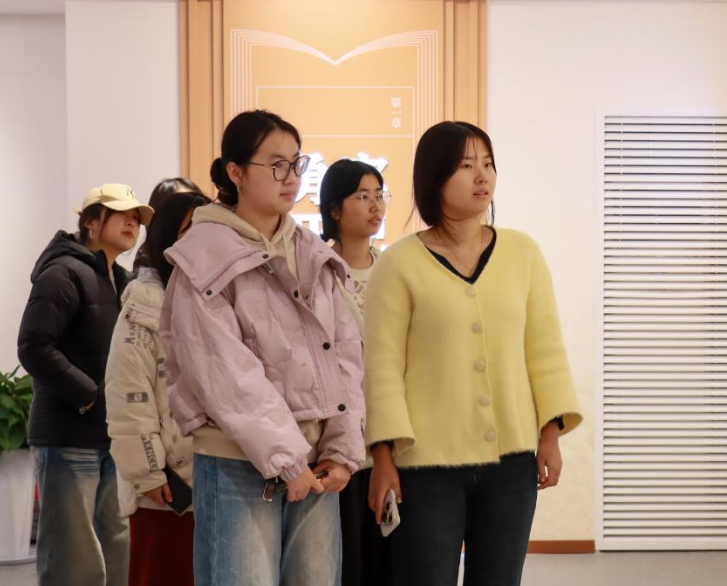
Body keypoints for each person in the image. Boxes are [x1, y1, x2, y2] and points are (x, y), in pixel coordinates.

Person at [365, 121, 583, 586]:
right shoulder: (398, 263)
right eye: (465, 166)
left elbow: (545, 350)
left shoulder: (523, 253)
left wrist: (550, 435)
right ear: (434, 178)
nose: (482, 176)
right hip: (425, 466)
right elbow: (382, 368)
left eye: (487, 164)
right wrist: (382, 458)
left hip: (512, 463)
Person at [160, 109, 366, 586]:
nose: (291, 177)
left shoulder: (312, 250)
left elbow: (345, 355)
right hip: (237, 462)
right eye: (276, 165)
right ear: (235, 172)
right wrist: (287, 460)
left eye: (297, 163)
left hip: (316, 463)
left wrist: (341, 449)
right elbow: (224, 374)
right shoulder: (202, 256)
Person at [19, 184, 153, 586]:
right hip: (68, 437)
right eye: (122, 214)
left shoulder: (122, 280)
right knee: (72, 560)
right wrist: (90, 395)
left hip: (113, 437)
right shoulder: (63, 273)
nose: (132, 223)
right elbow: (33, 346)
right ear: (91, 222)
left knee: (115, 548)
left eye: (137, 218)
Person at [105, 188, 211, 586]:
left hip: (218, 478)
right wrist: (149, 473)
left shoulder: (220, 298)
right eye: (189, 230)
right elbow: (128, 397)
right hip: (167, 489)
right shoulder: (143, 305)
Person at [318, 159, 391, 586]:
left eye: (379, 195)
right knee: (346, 561)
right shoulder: (316, 271)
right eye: (363, 196)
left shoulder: (393, 271)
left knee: (388, 558)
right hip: (337, 442)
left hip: (388, 438)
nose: (375, 206)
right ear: (335, 209)